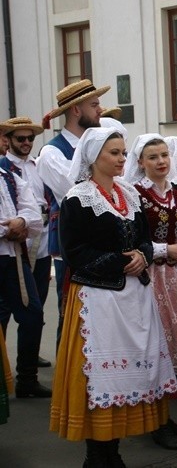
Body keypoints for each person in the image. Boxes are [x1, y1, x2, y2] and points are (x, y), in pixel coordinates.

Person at [49, 127, 177, 467]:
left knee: (129, 377)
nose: (122, 159)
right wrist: (124, 260)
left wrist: (143, 255)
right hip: (97, 299)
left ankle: (113, 450)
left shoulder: (129, 194)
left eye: (123, 152)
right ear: (94, 158)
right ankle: (97, 454)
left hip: (133, 298)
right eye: (114, 153)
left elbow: (146, 239)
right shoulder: (78, 198)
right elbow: (74, 252)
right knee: (101, 377)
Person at [125, 134, 177, 450]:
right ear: (141, 163)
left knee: (175, 347)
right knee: (156, 347)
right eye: (153, 157)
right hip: (150, 279)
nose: (160, 162)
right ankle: (156, 421)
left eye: (164, 156)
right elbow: (132, 239)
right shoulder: (135, 196)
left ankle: (164, 416)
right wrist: (165, 250)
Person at [38, 79, 109, 349]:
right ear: (76, 110)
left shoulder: (95, 145)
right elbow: (77, 195)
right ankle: (67, 384)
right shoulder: (51, 153)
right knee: (72, 313)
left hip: (100, 240)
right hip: (74, 244)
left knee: (100, 312)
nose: (100, 110)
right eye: (94, 105)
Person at [0, 117, 52, 369]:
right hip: (13, 245)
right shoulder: (5, 169)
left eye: (30, 138)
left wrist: (26, 221)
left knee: (35, 305)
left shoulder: (36, 165)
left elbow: (37, 205)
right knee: (6, 309)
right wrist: (15, 226)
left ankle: (28, 364)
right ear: (7, 141)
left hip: (38, 238)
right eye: (20, 139)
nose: (26, 143)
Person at [0, 157, 48, 398]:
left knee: (33, 314)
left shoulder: (8, 177)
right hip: (7, 252)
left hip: (12, 258)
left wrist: (22, 221)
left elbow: (35, 216)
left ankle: (27, 380)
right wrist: (8, 228)